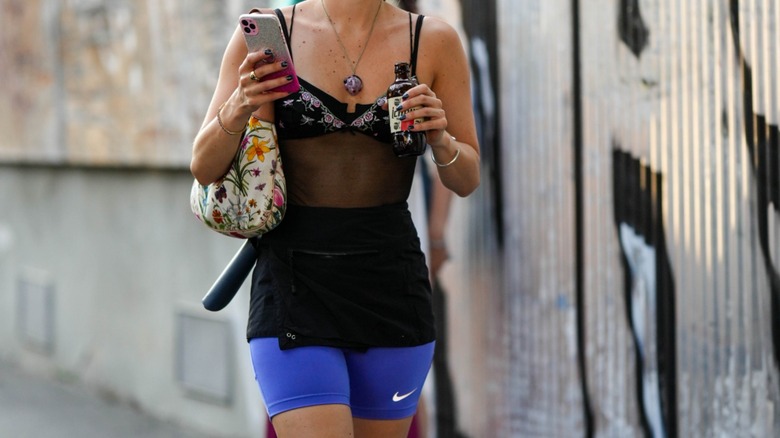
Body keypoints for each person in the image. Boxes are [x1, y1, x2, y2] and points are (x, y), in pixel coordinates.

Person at [190, 0, 480, 436]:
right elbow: (203, 166)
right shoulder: (270, 35)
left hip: (391, 286)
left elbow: (467, 177)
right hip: (292, 284)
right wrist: (239, 104)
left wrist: (440, 139)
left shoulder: (433, 40)